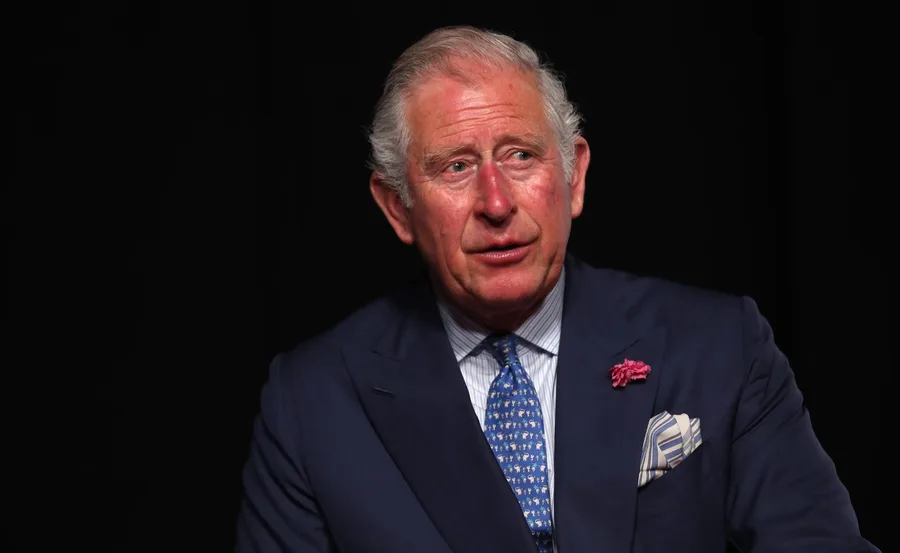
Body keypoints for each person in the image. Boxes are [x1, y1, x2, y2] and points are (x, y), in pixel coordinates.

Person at [234, 26, 878, 553]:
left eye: (520, 156)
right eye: (456, 167)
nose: (495, 202)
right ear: (398, 208)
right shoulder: (312, 402)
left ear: (573, 179)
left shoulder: (718, 348)